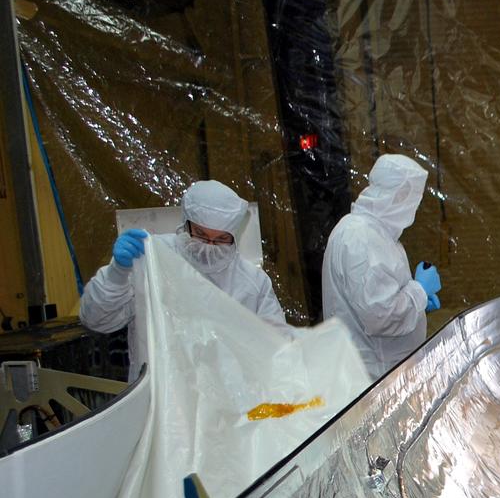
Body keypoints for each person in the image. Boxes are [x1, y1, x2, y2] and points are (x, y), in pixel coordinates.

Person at [80, 180, 288, 379]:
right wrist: (118, 272)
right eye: (200, 234)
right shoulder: (152, 259)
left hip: (233, 404)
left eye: (221, 239)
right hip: (161, 401)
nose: (209, 246)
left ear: (234, 236)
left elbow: (277, 347)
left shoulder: (252, 282)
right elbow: (96, 319)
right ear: (185, 224)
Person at [322, 154, 442, 379]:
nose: (414, 206)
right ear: (399, 195)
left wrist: (419, 304)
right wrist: (419, 291)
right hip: (374, 377)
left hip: (385, 371)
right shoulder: (360, 237)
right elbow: (380, 317)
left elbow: (380, 297)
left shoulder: (377, 233)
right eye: (412, 197)